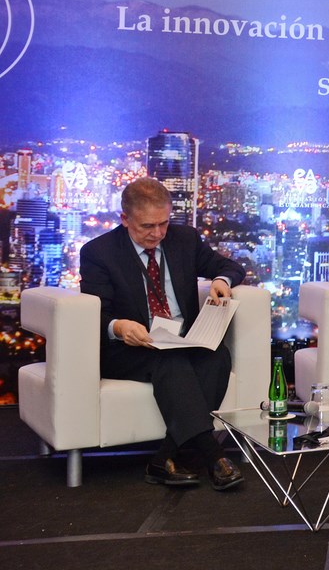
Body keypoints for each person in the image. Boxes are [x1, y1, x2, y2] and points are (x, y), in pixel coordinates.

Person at [79, 178, 246, 490]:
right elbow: (95, 312)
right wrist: (119, 327)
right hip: (130, 346)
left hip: (181, 339)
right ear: (125, 219)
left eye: (163, 223)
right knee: (170, 362)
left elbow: (232, 267)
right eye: (147, 226)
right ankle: (214, 456)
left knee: (217, 357)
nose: (157, 234)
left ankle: (163, 458)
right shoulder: (99, 252)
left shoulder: (185, 239)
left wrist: (221, 280)